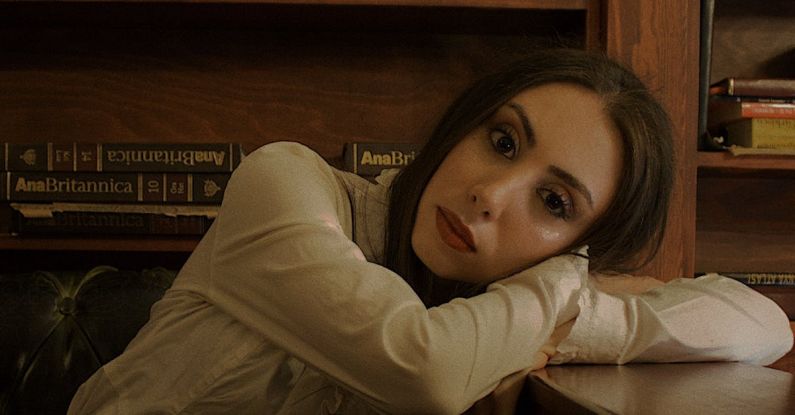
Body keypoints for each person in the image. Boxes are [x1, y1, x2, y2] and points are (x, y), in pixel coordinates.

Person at [68, 48, 792, 415]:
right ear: (459, 127)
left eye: (552, 200)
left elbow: (760, 321)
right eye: (502, 141)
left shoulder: (509, 305)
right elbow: (423, 365)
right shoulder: (284, 183)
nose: (488, 192)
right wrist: (569, 282)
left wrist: (568, 298)